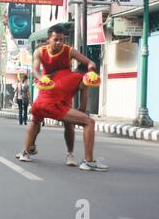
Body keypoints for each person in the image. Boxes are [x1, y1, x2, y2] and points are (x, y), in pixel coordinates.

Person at [17, 24, 108, 171]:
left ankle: (27, 151)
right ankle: (87, 160)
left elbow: (90, 62)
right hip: (48, 90)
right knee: (87, 122)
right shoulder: (40, 52)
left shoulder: (69, 51)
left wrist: (91, 69)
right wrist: (42, 79)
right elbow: (35, 69)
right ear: (48, 40)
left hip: (44, 97)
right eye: (56, 40)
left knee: (36, 121)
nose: (59, 43)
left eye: (61, 40)